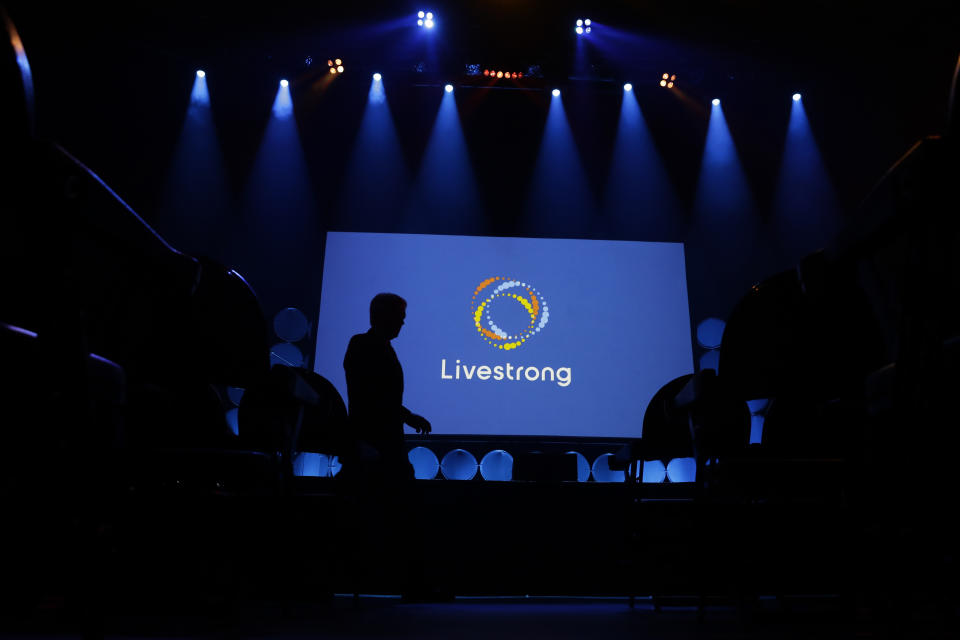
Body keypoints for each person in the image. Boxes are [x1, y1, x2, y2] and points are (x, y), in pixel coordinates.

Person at [343, 292, 431, 477]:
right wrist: (408, 416)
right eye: (400, 317)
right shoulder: (364, 345)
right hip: (374, 441)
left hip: (383, 442)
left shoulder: (379, 346)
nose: (402, 323)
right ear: (386, 317)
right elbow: (372, 396)